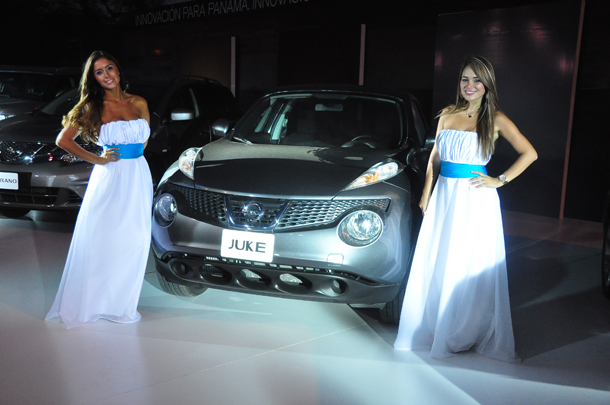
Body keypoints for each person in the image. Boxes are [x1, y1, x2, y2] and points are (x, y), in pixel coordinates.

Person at [394, 56, 537, 362]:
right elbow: (435, 156)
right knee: (440, 258)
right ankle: (440, 325)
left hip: (475, 199)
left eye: (476, 80)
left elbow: (529, 153)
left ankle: (464, 329)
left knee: (468, 262)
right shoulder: (447, 114)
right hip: (444, 196)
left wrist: (499, 180)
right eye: (464, 79)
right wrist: (426, 192)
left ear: (487, 85)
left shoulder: (495, 118)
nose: (470, 85)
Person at [45, 51, 153, 329]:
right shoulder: (92, 106)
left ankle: (120, 304)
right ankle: (93, 303)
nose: (107, 75)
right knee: (103, 239)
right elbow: (63, 140)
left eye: (109, 68)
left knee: (135, 239)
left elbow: (143, 140)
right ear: (93, 78)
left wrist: (133, 157)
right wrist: (99, 159)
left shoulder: (139, 102)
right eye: (99, 72)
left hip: (138, 176)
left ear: (118, 70)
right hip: (110, 177)